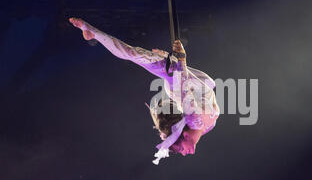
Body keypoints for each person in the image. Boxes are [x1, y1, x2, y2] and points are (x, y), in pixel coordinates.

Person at [69, 17, 219, 164]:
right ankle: (92, 32)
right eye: (181, 149)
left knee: (133, 54)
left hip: (180, 80)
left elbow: (185, 87)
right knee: (132, 53)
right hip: (186, 80)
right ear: (184, 135)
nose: (185, 154)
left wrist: (177, 62)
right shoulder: (198, 122)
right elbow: (186, 86)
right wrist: (180, 61)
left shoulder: (197, 122)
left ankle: (93, 33)